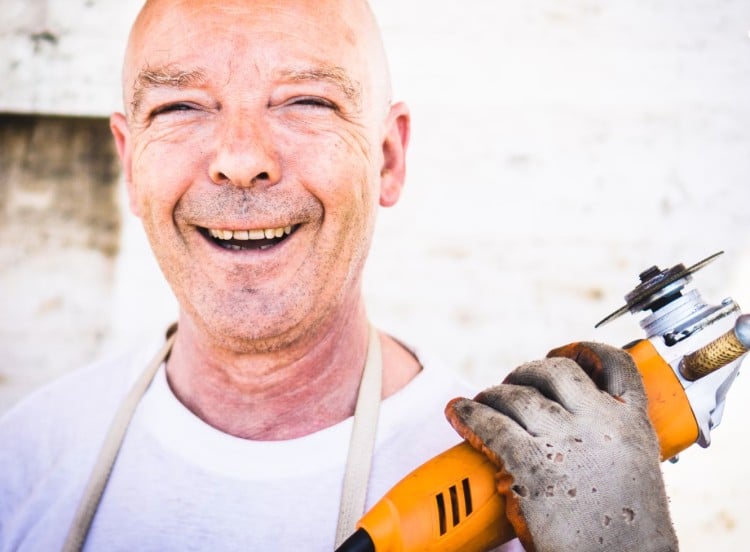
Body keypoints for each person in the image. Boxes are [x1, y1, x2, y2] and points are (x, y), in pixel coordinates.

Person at [0, 1, 677, 551]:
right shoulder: (24, 460)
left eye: (306, 102)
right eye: (179, 107)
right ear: (129, 162)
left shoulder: (524, 498)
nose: (241, 159)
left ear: (386, 157)